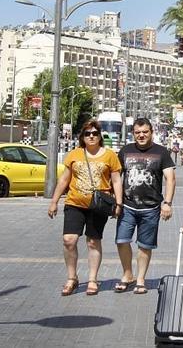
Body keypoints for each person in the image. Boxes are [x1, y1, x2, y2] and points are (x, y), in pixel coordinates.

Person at [48, 119, 123, 296]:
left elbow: (116, 180)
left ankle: (92, 279)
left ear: (100, 136)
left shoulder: (110, 155)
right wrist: (54, 201)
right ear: (82, 136)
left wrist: (118, 203)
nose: (91, 136)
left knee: (93, 241)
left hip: (98, 206)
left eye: (95, 133)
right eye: (87, 133)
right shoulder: (74, 154)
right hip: (74, 203)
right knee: (69, 240)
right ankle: (72, 278)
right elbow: (65, 179)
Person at [115, 118, 176, 294]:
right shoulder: (125, 151)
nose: (141, 135)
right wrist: (116, 201)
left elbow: (170, 178)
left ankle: (140, 279)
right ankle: (127, 275)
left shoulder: (161, 152)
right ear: (133, 133)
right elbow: (117, 177)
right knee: (122, 240)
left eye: (145, 132)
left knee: (145, 245)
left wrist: (168, 203)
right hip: (128, 206)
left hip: (151, 208)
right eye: (137, 132)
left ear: (151, 132)